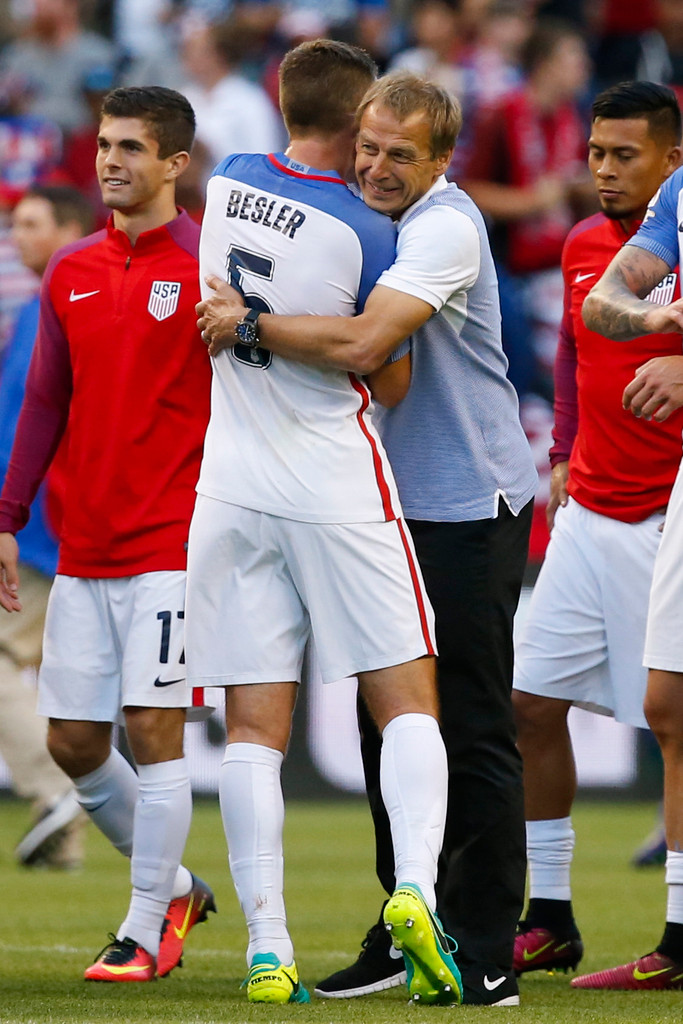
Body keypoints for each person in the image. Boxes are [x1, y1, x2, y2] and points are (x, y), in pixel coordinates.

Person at [197, 68, 538, 1006]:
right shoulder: (361, 216)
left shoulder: (442, 227)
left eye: (400, 155)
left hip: (464, 498)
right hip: (381, 491)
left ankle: (485, 947)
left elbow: (364, 347)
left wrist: (249, 321)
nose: (378, 167)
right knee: (382, 716)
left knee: (470, 723)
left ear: (443, 159)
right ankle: (402, 921)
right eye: (370, 147)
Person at [0, 86, 215, 982]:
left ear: (174, 163)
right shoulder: (71, 269)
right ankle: (181, 888)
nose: (110, 161)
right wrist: (7, 517)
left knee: (153, 726)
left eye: (131, 147)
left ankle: (143, 925)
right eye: (103, 145)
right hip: (81, 542)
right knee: (74, 744)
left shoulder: (211, 265)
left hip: (174, 537)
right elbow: (44, 401)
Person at [511, 80, 683, 980]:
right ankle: (548, 917)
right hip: (591, 507)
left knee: (672, 721)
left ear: (672, 162)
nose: (604, 170)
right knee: (530, 704)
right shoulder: (583, 243)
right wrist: (563, 452)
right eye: (595, 153)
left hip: (667, 513)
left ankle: (678, 934)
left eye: (624, 155)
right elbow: (574, 356)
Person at [576, 93, 683, 990]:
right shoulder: (679, 195)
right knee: (669, 703)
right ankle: (681, 942)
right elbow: (607, 298)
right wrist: (655, 320)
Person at [0, 185, 93, 870]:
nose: (18, 236)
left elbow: (44, 424)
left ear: (69, 228)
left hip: (41, 526)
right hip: (44, 522)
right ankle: (63, 838)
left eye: (32, 224)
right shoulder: (42, 305)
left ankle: (55, 789)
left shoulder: (60, 306)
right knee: (67, 685)